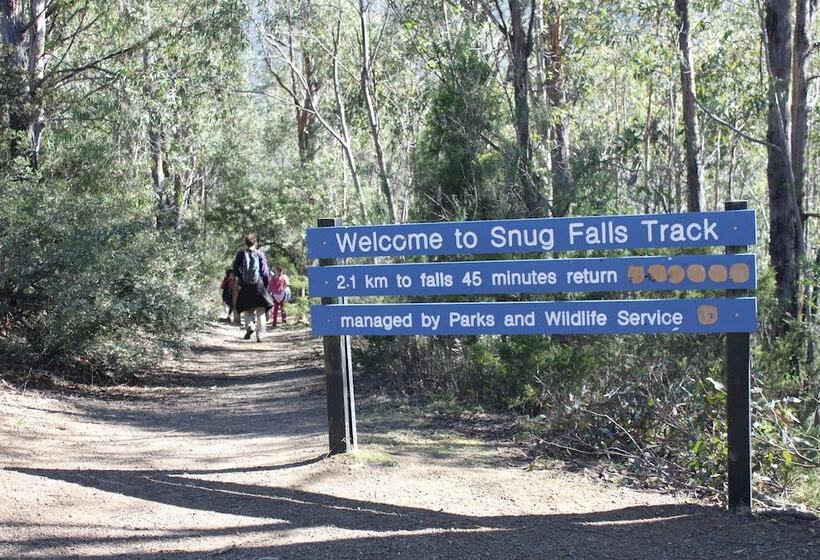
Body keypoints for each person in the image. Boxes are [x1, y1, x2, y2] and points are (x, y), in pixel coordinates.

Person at [232, 233, 274, 342]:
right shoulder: (260, 254)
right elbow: (265, 272)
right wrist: (265, 286)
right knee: (261, 310)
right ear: (255, 242)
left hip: (246, 285)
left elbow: (235, 269)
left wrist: (241, 280)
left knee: (248, 309)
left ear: (246, 242)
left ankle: (250, 326)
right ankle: (259, 334)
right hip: (258, 285)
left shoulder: (241, 254)